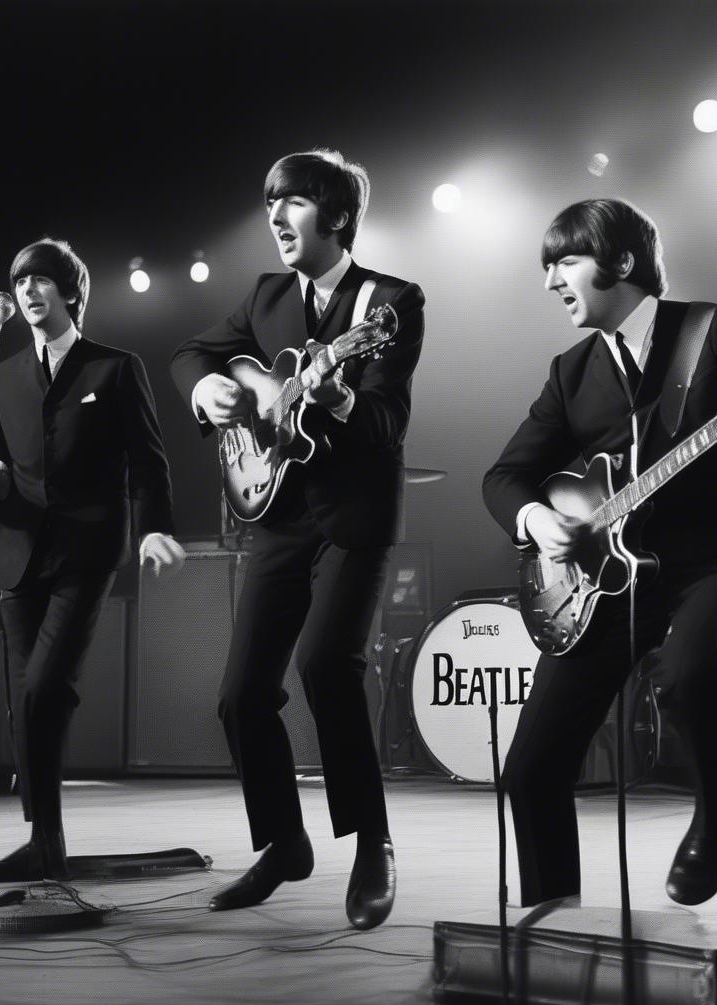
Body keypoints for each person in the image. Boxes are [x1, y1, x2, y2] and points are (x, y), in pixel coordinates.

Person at [482, 199, 717, 907]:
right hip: (609, 577)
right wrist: (538, 519)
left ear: (620, 263)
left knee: (686, 668)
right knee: (532, 768)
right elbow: (503, 478)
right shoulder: (570, 372)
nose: (551, 283)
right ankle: (551, 924)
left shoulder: (710, 328)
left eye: (564, 262)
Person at [170, 149, 425, 929]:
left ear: (338, 216)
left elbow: (387, 425)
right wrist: (208, 386)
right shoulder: (266, 294)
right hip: (278, 515)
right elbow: (191, 354)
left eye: (295, 202)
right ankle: (284, 842)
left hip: (354, 519)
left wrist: (336, 392)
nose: (276, 217)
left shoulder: (391, 301)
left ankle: (372, 842)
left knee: (326, 666)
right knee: (240, 696)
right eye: (270, 201)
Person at [0, 238, 183, 883]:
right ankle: (43, 836)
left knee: (44, 686)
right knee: (24, 702)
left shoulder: (113, 368)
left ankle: (45, 838)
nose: (30, 291)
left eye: (42, 281)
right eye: (20, 281)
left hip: (87, 550)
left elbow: (148, 458)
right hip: (16, 551)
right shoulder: (0, 372)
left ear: (70, 293)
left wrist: (153, 528)